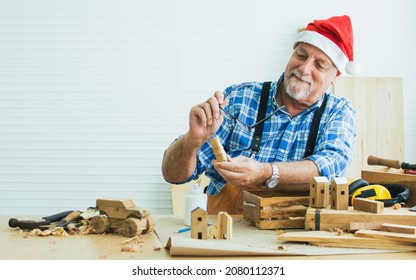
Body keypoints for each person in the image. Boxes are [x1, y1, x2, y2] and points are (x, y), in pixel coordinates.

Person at [162, 15, 358, 214]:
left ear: (335, 76)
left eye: (320, 65)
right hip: (227, 233)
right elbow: (173, 176)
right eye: (301, 55)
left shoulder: (338, 112)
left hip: (299, 237)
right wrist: (192, 140)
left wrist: (265, 173)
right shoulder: (240, 98)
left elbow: (330, 169)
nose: (305, 68)